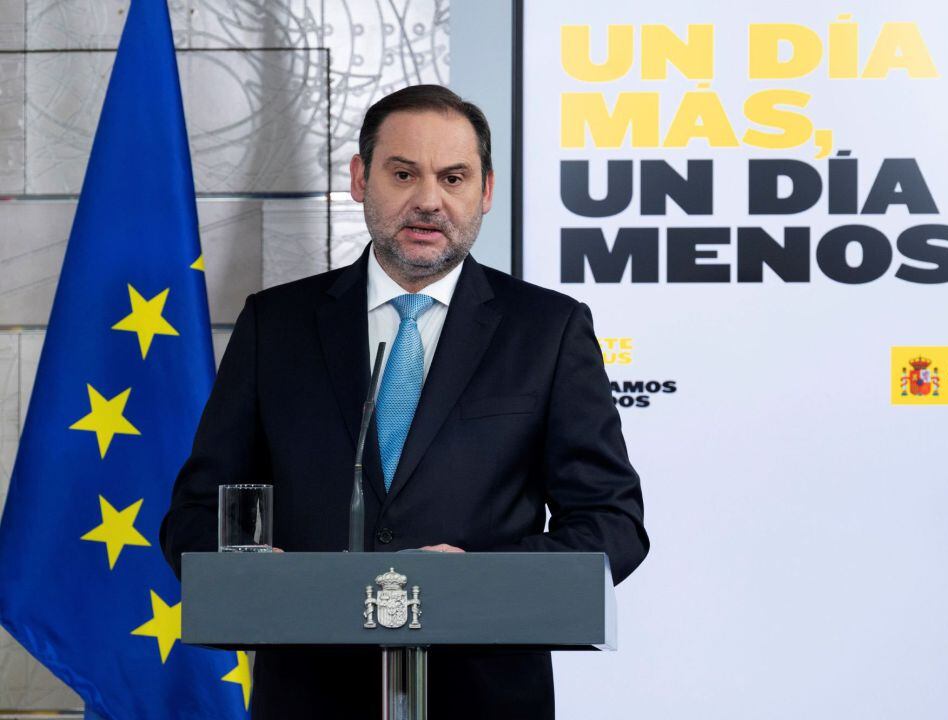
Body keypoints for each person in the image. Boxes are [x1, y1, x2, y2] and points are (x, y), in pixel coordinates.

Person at [160, 84, 648, 719]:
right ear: (362, 178)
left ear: (486, 191)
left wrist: (476, 578)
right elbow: (197, 512)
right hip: (311, 697)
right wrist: (254, 573)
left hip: (484, 699)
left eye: (453, 177)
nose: (428, 200)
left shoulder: (548, 331)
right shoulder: (274, 325)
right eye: (403, 173)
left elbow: (612, 524)